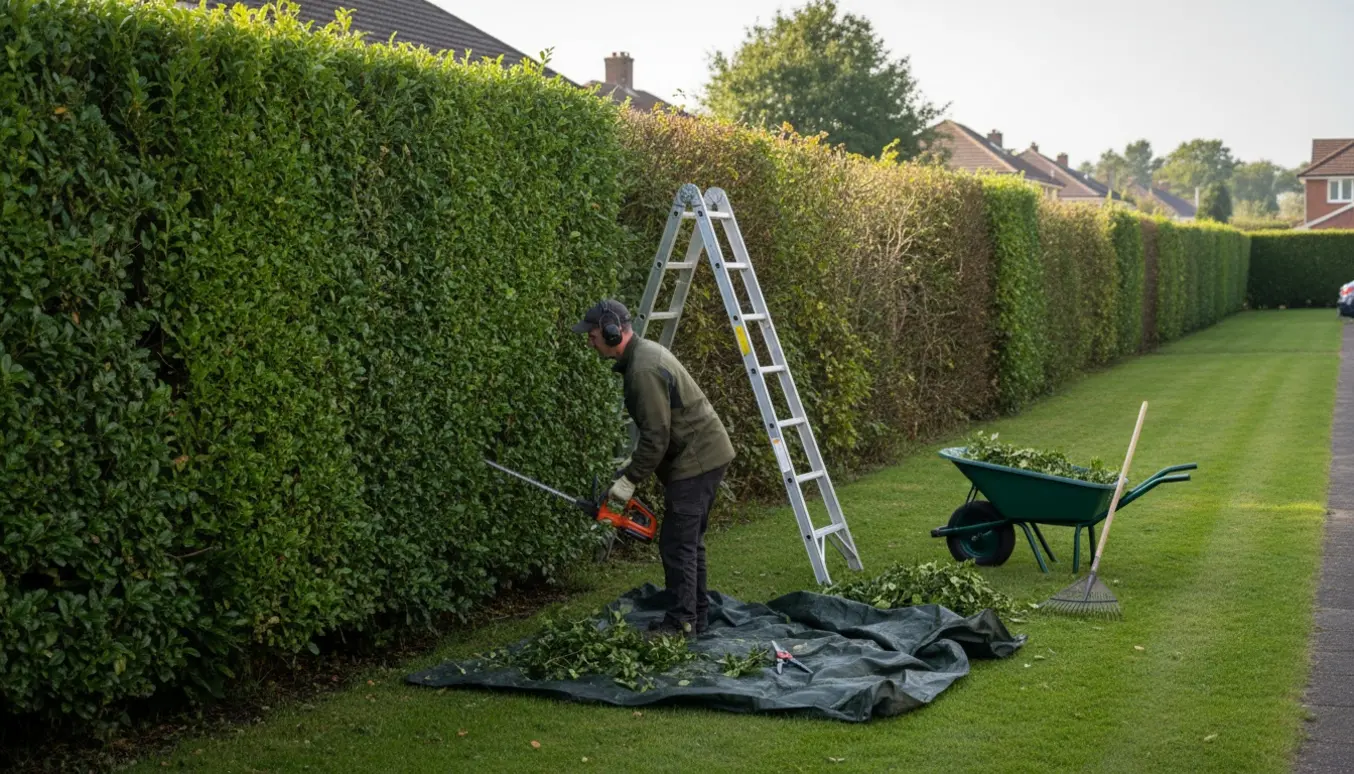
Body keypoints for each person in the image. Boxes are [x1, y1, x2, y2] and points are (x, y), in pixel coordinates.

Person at [572, 299, 735, 637]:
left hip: (697, 459)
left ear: (612, 331)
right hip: (701, 454)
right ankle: (696, 617)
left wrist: (629, 480)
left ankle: (681, 623)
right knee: (687, 543)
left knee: (677, 545)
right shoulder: (642, 357)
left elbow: (657, 436)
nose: (589, 341)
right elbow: (657, 431)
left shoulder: (643, 369)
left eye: (592, 335)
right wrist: (630, 468)